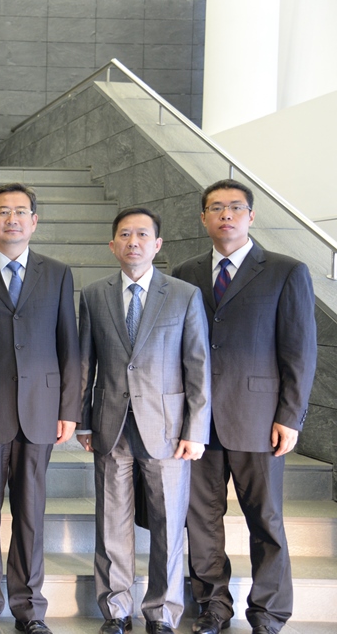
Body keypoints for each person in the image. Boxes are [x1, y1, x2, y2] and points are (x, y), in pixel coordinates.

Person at [173, 180, 317, 634]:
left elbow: (299, 350)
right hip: (198, 422)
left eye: (236, 207)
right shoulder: (184, 273)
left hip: (259, 419)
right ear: (203, 218)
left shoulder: (285, 271)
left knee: (266, 520)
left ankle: (269, 613)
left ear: (251, 216)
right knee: (201, 521)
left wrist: (290, 416)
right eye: (216, 207)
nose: (226, 215)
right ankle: (213, 608)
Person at [0, 183, 81, 634]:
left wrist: (69, 407)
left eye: (21, 211)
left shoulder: (57, 274)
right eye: (3, 211)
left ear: (34, 221)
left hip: (41, 411)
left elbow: (70, 345)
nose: (12, 219)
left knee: (31, 515)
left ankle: (29, 610)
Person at [76, 207, 210, 634]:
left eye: (142, 235)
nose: (132, 242)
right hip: (110, 423)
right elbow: (84, 363)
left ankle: (162, 613)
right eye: (124, 235)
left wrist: (196, 429)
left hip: (168, 428)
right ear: (112, 244)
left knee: (168, 524)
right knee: (111, 522)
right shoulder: (94, 295)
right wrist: (82, 420)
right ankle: (116, 611)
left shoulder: (184, 294)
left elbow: (198, 365)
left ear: (157, 244)